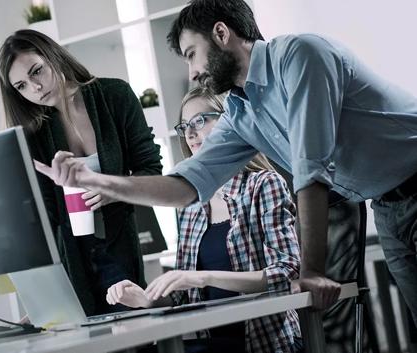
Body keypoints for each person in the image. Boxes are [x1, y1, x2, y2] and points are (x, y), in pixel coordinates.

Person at [35, 0, 417, 322]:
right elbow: (185, 187)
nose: (193, 73)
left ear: (221, 34)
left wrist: (312, 271)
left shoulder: (300, 55)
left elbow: (310, 168)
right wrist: (99, 181)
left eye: (191, 55)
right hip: (387, 205)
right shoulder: (241, 111)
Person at [106, 87, 302, 353]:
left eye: (201, 120)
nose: (190, 133)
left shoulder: (264, 185)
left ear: (229, 120)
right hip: (207, 344)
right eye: (185, 126)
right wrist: (146, 299)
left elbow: (286, 272)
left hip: (265, 341)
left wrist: (203, 277)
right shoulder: (189, 203)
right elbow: (183, 297)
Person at [0, 29, 163, 315]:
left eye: (37, 71)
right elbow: (45, 215)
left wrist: (111, 189)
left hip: (119, 247)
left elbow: (152, 171)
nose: (35, 88)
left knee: (134, 334)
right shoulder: (34, 133)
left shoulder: (115, 96)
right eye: (21, 86)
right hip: (72, 260)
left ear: (53, 56)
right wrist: (43, 295)